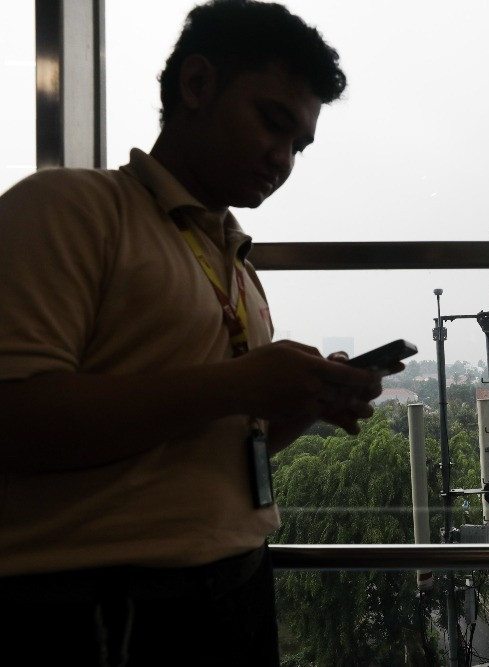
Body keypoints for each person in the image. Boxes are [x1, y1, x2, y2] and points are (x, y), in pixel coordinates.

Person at [0, 2, 391, 664]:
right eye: (273, 122)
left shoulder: (233, 258)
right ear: (197, 84)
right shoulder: (66, 207)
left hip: (237, 584)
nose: (283, 159)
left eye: (299, 145)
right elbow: (12, 418)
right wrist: (237, 385)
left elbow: (220, 445)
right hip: (98, 602)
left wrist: (300, 404)